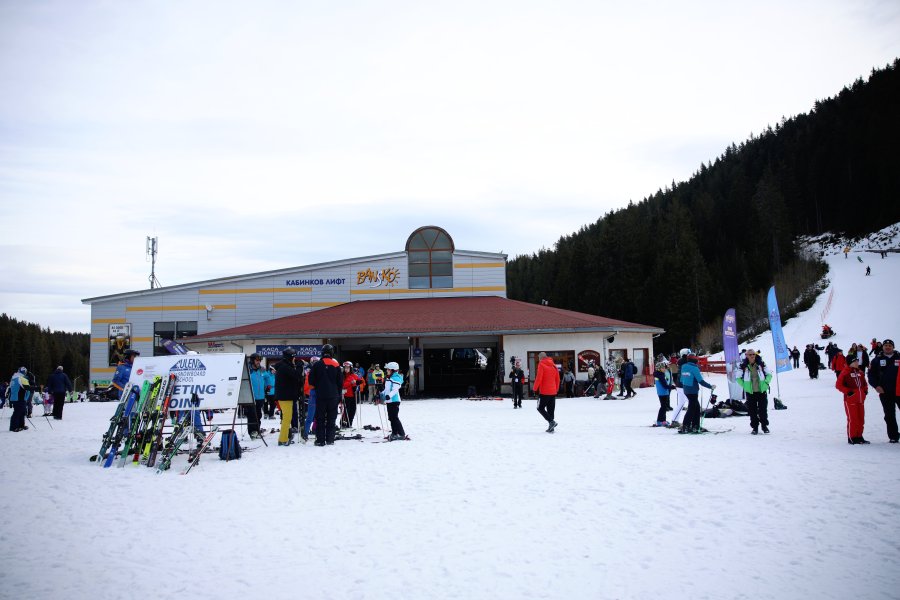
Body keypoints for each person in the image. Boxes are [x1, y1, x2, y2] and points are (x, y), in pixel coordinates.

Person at [867, 338, 900, 443]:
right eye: (886, 345)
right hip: (885, 392)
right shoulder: (876, 360)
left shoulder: (899, 357)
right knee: (889, 415)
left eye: (890, 345)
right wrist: (876, 386)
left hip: (899, 391)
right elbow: (871, 375)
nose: (888, 347)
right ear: (883, 347)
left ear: (893, 347)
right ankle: (893, 436)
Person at [308, 344, 342, 446]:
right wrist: (338, 395)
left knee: (320, 418)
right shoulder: (336, 365)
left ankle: (320, 440)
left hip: (321, 396)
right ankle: (330, 439)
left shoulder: (317, 365)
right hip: (333, 396)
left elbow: (311, 381)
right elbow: (340, 382)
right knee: (332, 418)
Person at [736, 349, 772, 435]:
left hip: (761, 391)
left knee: (763, 410)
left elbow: (769, 374)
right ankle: (755, 427)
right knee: (752, 411)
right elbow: (738, 378)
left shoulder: (761, 363)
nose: (752, 356)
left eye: (753, 354)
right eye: (750, 354)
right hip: (751, 392)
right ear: (747, 356)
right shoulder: (743, 366)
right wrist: (745, 386)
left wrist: (766, 383)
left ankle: (764, 426)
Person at [836, 354, 869, 444]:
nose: (857, 363)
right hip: (850, 400)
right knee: (853, 419)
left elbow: (864, 384)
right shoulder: (845, 372)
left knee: (861, 419)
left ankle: (859, 436)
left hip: (861, 399)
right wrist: (848, 392)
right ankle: (852, 437)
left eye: (857, 361)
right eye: (855, 361)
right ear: (850, 363)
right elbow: (838, 385)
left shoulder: (860, 372)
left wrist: (865, 391)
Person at [274, 348, 303, 446]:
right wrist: (299, 366)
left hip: (287, 396)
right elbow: (296, 375)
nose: (295, 359)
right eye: (294, 357)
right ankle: (282, 439)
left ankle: (285, 437)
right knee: (286, 418)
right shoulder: (284, 367)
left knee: (287, 417)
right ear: (290, 357)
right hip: (285, 396)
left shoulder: (285, 366)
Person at [678, 354, 714, 434]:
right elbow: (701, 381)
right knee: (692, 408)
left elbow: (681, 379)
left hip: (686, 389)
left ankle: (695, 426)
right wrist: (710, 387)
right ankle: (686, 426)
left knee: (696, 407)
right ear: (695, 360)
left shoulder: (683, 366)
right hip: (693, 391)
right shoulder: (695, 368)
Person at [378, 361, 406, 440]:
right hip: (389, 401)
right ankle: (394, 432)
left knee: (394, 417)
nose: (387, 371)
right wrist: (380, 393)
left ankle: (401, 434)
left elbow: (394, 390)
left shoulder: (396, 378)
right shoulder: (388, 378)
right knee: (391, 418)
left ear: (393, 370)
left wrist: (388, 396)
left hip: (394, 400)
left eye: (388, 369)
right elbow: (387, 390)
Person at [532, 352, 560, 433]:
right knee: (550, 410)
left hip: (544, 391)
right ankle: (552, 427)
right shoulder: (553, 365)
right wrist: (556, 389)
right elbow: (557, 379)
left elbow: (539, 378)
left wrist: (534, 389)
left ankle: (551, 422)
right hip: (553, 391)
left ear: (541, 358)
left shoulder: (541, 364)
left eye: (539, 358)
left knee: (540, 408)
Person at [246, 354, 267, 439]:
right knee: (251, 415)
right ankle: (252, 431)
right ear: (252, 361)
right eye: (257, 360)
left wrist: (268, 385)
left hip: (260, 396)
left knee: (258, 415)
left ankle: (257, 430)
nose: (258, 362)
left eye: (259, 360)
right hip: (251, 397)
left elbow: (268, 377)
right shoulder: (248, 370)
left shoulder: (261, 370)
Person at [340, 361, 364, 428]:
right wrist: (351, 382)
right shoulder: (342, 376)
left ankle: (350, 423)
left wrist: (358, 382)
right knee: (347, 410)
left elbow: (360, 380)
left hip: (353, 395)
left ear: (351, 368)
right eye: (345, 368)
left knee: (353, 410)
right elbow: (343, 385)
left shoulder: (354, 375)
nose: (346, 369)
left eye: (348, 368)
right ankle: (343, 422)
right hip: (345, 395)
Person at [9, 367, 31, 432]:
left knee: (22, 411)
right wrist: (37, 388)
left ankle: (21, 425)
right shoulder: (21, 378)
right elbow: (27, 388)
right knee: (18, 412)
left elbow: (10, 389)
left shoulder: (13, 378)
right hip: (19, 398)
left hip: (15, 398)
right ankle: (14, 427)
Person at [653, 361, 675, 426]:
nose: (664, 369)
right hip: (663, 392)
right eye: (663, 368)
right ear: (659, 369)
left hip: (662, 392)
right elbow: (664, 385)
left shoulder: (659, 374)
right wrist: (672, 387)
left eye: (664, 368)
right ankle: (660, 421)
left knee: (663, 407)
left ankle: (662, 420)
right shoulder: (660, 375)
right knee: (663, 407)